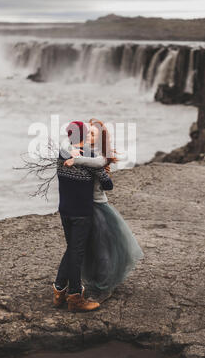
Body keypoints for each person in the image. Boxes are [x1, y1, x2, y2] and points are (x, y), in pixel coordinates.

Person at [62, 118, 144, 303]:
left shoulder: (97, 157)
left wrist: (76, 160)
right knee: (83, 247)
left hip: (98, 207)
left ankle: (104, 286)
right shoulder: (79, 151)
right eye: (87, 132)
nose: (87, 136)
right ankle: (77, 282)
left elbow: (100, 168)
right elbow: (63, 152)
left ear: (99, 140)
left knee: (101, 248)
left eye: (92, 134)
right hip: (81, 207)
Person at [52, 120, 113, 312]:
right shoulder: (91, 157)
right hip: (81, 213)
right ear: (85, 135)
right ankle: (75, 297)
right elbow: (108, 184)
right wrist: (100, 171)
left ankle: (59, 289)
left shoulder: (62, 154)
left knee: (72, 249)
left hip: (64, 210)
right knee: (77, 252)